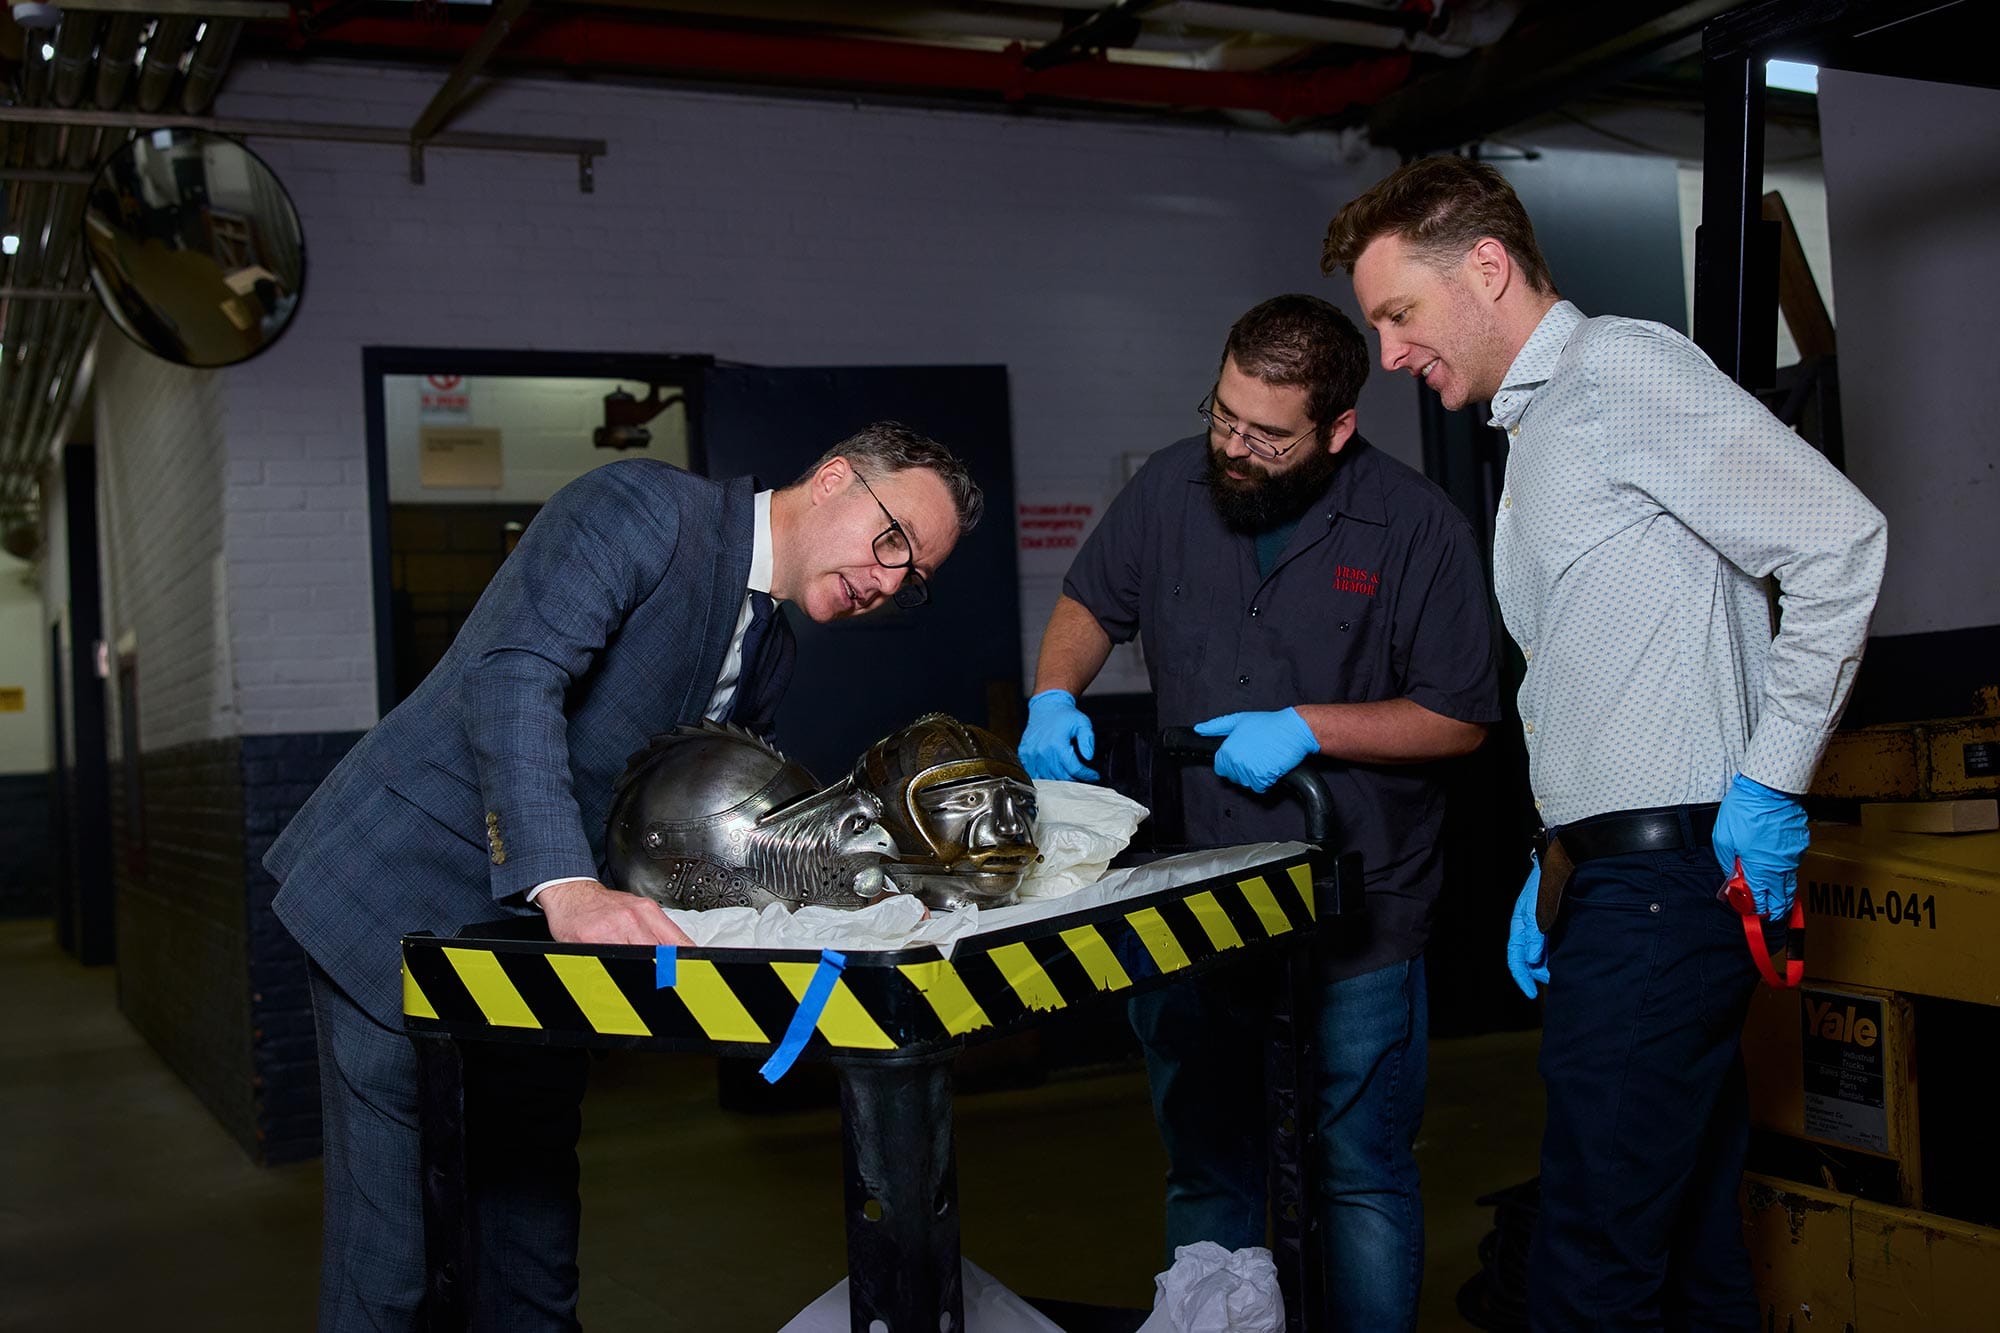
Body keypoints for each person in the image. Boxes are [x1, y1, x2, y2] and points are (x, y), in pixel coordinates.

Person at [1323, 155, 1888, 1330]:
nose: (1386, 355)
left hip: (1662, 888)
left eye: (1396, 315)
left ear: (1485, 269)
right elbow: (1600, 681)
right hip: (1622, 879)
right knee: (1686, 1243)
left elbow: (1836, 544)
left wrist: (1770, 781)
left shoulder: (1616, 371)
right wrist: (1554, 858)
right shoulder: (1538, 433)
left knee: (1588, 1254)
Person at [264, 423, 982, 1331]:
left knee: (532, 1252)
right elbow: (513, 676)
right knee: (396, 1262)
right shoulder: (642, 508)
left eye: (912, 580)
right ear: (834, 478)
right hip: (395, 900)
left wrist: (860, 888)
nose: (887, 582)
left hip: (539, 956)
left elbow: (702, 832)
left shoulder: (773, 651)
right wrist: (567, 885)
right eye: (892, 542)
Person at [1019, 294, 1499, 1331]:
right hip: (1198, 901)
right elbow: (1089, 602)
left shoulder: (1417, 530)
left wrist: (1308, 726)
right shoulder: (1168, 490)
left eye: (1265, 436)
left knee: (1358, 1171)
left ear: (1334, 430)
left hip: (1358, 913)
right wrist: (1053, 692)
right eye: (1222, 416)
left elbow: (1457, 719)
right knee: (1207, 1163)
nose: (1232, 448)